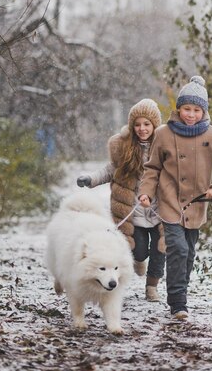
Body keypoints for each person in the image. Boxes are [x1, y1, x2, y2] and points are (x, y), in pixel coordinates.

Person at [138, 76, 212, 320]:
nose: (191, 115)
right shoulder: (163, 133)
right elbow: (152, 168)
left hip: (197, 205)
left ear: (204, 111)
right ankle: (177, 303)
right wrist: (146, 191)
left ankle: (179, 292)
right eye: (187, 109)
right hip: (170, 200)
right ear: (178, 109)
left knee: (189, 254)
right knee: (178, 249)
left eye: (196, 110)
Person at [77, 98, 166, 302]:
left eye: (147, 124)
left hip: (160, 210)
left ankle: (152, 287)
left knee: (160, 250)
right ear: (132, 126)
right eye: (137, 124)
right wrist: (90, 179)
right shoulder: (123, 147)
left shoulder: (164, 146)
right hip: (133, 211)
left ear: (154, 125)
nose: (142, 129)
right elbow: (110, 170)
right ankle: (139, 260)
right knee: (139, 250)